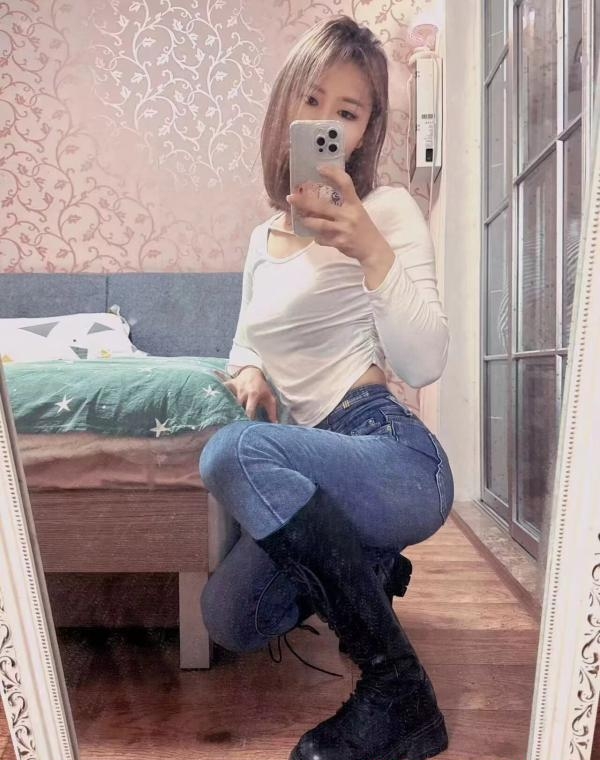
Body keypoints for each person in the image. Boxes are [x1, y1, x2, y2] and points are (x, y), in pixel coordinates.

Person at [199, 14, 454, 760]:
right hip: (316, 465)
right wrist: (249, 368)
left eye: (348, 111)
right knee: (229, 617)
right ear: (286, 105)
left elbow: (426, 361)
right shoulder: (262, 241)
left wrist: (370, 249)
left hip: (389, 450)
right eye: (312, 100)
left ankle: (398, 692)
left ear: (366, 130)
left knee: (231, 453)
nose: (327, 123)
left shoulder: (388, 210)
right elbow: (246, 341)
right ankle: (367, 561)